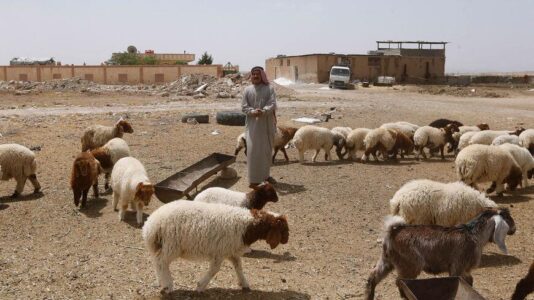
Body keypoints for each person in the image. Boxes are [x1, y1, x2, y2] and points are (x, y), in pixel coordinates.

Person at [241, 66, 277, 188]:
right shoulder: (247, 90)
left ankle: (266, 176)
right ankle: (254, 180)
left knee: (266, 152)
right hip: (253, 127)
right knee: (253, 152)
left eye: (257, 74)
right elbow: (244, 107)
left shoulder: (269, 88)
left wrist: (263, 111)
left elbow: (272, 103)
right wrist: (252, 112)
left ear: (262, 76)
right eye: (253, 74)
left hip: (267, 125)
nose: (255, 76)